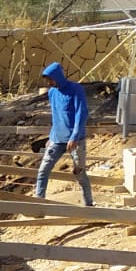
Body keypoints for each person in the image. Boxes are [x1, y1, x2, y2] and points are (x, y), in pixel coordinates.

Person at [35, 61, 94, 207]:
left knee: (79, 173)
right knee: (43, 170)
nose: (49, 83)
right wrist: (51, 136)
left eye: (51, 79)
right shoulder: (52, 93)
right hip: (57, 139)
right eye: (47, 80)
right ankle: (38, 204)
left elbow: (81, 114)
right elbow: (56, 115)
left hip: (75, 140)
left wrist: (74, 137)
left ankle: (88, 204)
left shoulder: (76, 89)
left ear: (58, 77)